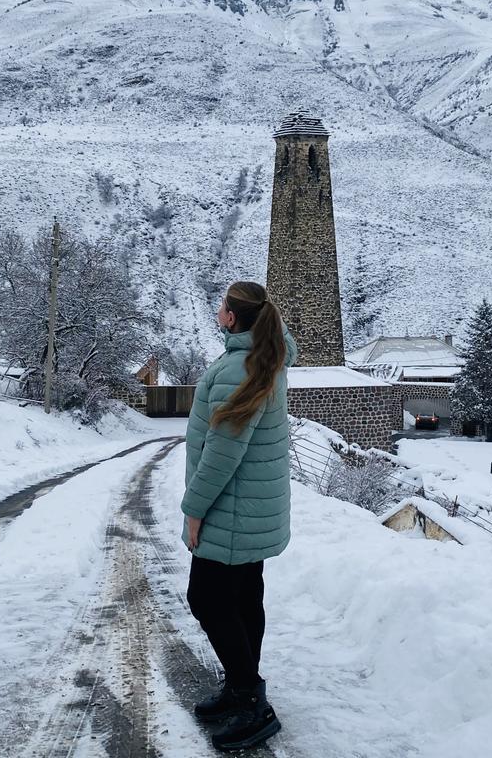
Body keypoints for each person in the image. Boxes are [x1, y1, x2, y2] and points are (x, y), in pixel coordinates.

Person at [181, 280, 297, 752]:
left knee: (206, 598)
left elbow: (222, 454)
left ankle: (251, 702)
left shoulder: (239, 368)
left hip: (230, 511)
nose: (217, 309)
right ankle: (240, 685)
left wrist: (193, 510)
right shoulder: (266, 357)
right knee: (245, 598)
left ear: (232, 316)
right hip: (253, 508)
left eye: (222, 304)